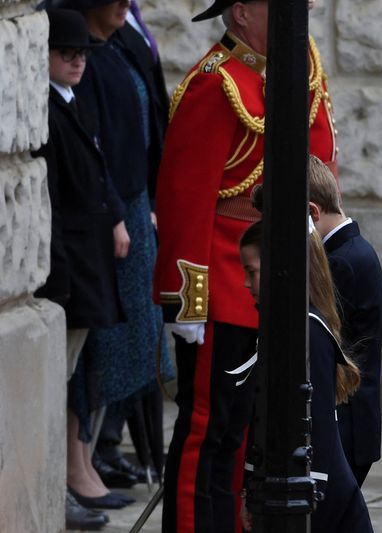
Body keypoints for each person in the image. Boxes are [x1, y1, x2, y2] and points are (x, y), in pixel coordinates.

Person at [153, 1, 338, 530]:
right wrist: (186, 299)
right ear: (239, 14)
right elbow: (184, 199)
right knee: (209, 429)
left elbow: (321, 164)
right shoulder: (216, 82)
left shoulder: (298, 70)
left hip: (274, 284)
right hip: (220, 284)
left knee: (250, 434)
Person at [33, 7, 128, 529]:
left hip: (87, 263)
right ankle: (58, 484)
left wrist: (116, 218)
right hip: (68, 268)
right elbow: (55, 200)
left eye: (81, 54)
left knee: (72, 376)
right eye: (65, 54)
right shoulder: (46, 110)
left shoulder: (71, 102)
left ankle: (70, 475)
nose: (76, 62)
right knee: (58, 384)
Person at [237, 216, 373, 533]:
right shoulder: (282, 326)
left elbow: (320, 429)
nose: (246, 283)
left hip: (324, 501)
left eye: (252, 272)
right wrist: (250, 490)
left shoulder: (309, 331)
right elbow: (261, 418)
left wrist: (311, 504)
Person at [91, 0, 172, 489]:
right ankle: (101, 450)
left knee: (141, 334)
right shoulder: (97, 41)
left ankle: (112, 444)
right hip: (120, 205)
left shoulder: (129, 27)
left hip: (140, 199)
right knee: (119, 335)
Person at [308, 156, 382, 486]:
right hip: (353, 424)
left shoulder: (341, 262)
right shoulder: (350, 251)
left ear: (313, 213)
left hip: (346, 427)